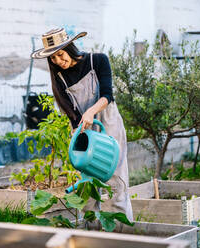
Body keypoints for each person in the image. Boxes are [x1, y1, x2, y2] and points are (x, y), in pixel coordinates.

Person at [31, 28, 133, 222]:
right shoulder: (59, 77)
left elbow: (107, 95)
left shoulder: (98, 60)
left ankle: (122, 232)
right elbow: (72, 114)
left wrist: (91, 112)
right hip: (83, 130)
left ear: (70, 48)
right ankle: (91, 232)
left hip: (108, 125)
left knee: (115, 179)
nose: (58, 61)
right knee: (87, 184)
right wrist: (82, 125)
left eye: (60, 55)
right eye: (53, 59)